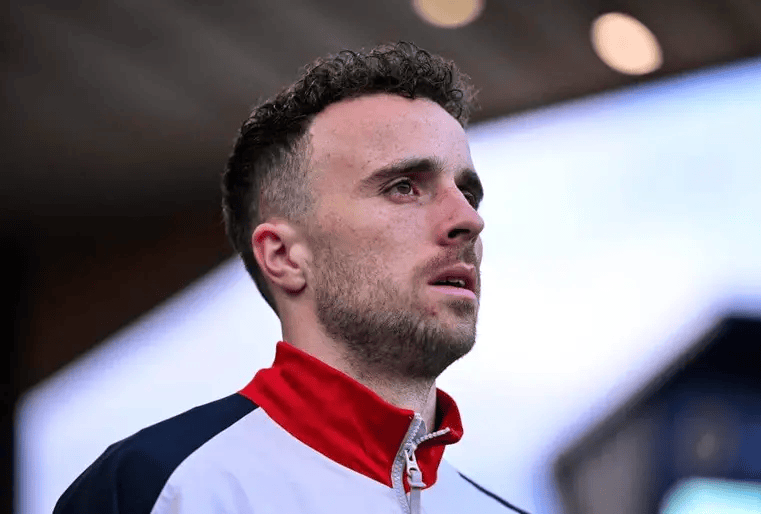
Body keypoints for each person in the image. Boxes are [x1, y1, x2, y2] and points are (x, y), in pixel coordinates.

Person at [54, 41, 529, 514]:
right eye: (403, 187)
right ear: (283, 256)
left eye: (468, 194)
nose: (469, 220)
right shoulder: (157, 490)